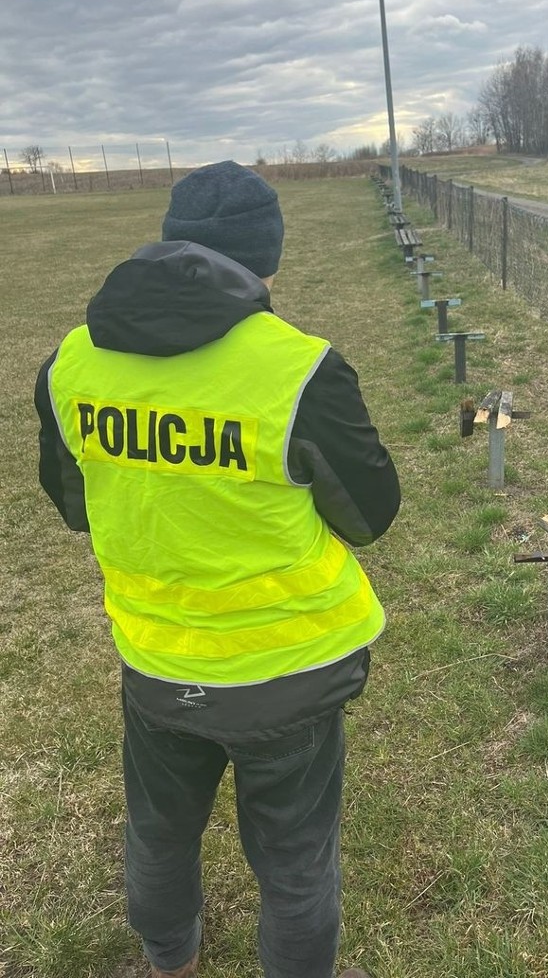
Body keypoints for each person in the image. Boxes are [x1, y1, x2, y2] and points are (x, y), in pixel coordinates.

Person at [34, 161, 400, 978]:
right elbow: (371, 517)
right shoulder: (301, 370)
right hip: (290, 672)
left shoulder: (70, 366)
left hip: (157, 665)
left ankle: (170, 962)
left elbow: (74, 503)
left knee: (159, 834)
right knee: (296, 861)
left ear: (169, 241)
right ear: (266, 257)